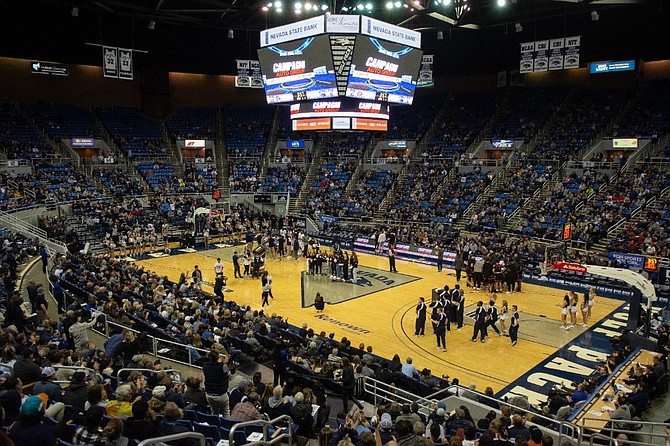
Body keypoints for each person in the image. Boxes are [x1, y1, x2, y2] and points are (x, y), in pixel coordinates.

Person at [202, 350, 230, 417]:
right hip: (221, 394)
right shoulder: (223, 366)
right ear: (218, 357)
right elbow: (229, 376)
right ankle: (228, 427)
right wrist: (225, 363)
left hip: (209, 394)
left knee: (214, 412)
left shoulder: (205, 365)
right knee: (226, 413)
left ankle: (215, 426)